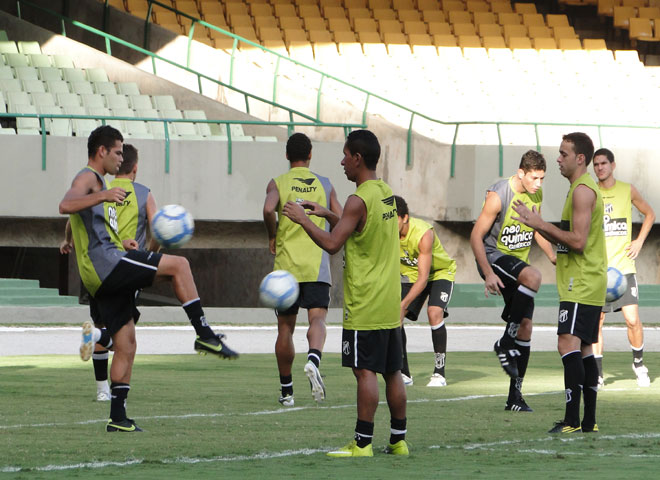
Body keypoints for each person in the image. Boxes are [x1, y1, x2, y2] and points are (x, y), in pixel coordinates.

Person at [59, 126, 238, 433]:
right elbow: (66, 204)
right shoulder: (88, 178)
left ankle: (118, 418)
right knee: (179, 265)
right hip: (106, 266)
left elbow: (91, 226)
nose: (120, 158)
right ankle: (204, 333)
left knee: (126, 343)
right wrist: (103, 194)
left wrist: (124, 243)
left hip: (107, 264)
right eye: (117, 151)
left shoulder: (100, 182)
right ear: (102, 151)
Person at [282, 130, 408, 457]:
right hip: (388, 301)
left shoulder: (357, 199)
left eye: (345, 155)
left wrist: (301, 219)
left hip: (364, 302)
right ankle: (398, 441)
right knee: (392, 370)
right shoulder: (385, 194)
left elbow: (332, 243)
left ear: (357, 158)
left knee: (364, 370)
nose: (341, 162)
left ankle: (362, 443)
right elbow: (361, 228)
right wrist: (326, 214)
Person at [513, 132, 606, 434]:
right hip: (588, 280)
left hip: (581, 282)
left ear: (580, 159)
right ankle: (588, 422)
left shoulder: (582, 190)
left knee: (567, 343)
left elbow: (578, 242)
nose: (558, 158)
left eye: (564, 154)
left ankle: (571, 420)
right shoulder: (580, 189)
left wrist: (539, 223)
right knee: (586, 348)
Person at [59, 143, 160, 402]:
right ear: (135, 167)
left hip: (95, 267)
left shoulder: (103, 188)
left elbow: (76, 217)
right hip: (124, 267)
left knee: (106, 324)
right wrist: (149, 256)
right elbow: (158, 228)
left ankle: (102, 390)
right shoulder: (141, 193)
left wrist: (67, 241)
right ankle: (118, 398)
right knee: (124, 336)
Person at [469, 150, 555, 412]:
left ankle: (514, 397)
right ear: (521, 173)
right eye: (535, 178)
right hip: (494, 257)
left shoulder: (535, 194)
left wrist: (553, 255)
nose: (539, 184)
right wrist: (488, 273)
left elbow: (536, 228)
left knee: (526, 327)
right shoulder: (498, 196)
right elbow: (475, 237)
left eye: (542, 178)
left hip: (518, 266)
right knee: (534, 276)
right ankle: (505, 342)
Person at [262, 132, 343, 406]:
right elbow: (341, 219)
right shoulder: (325, 184)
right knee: (317, 319)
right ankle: (313, 358)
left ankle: (287, 392)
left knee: (285, 328)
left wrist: (272, 234)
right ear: (310, 155)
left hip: (286, 271)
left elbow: (267, 208)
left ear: (287, 156)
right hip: (316, 266)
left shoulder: (278, 182)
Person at [592, 148, 654, 388]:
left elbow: (649, 213)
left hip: (624, 268)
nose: (600, 168)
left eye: (604, 163)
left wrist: (638, 241)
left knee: (632, 319)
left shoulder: (627, 190)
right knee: (596, 322)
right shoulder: (590, 192)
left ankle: (638, 364)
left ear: (613, 165)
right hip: (598, 271)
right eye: (596, 165)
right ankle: (597, 374)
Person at [394, 195, 456, 387]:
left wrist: (403, 304)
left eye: (393, 219)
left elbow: (423, 278)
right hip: (411, 276)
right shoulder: (387, 235)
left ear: (405, 217)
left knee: (434, 312)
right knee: (395, 317)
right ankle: (403, 373)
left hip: (439, 273)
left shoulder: (423, 233)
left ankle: (439, 373)